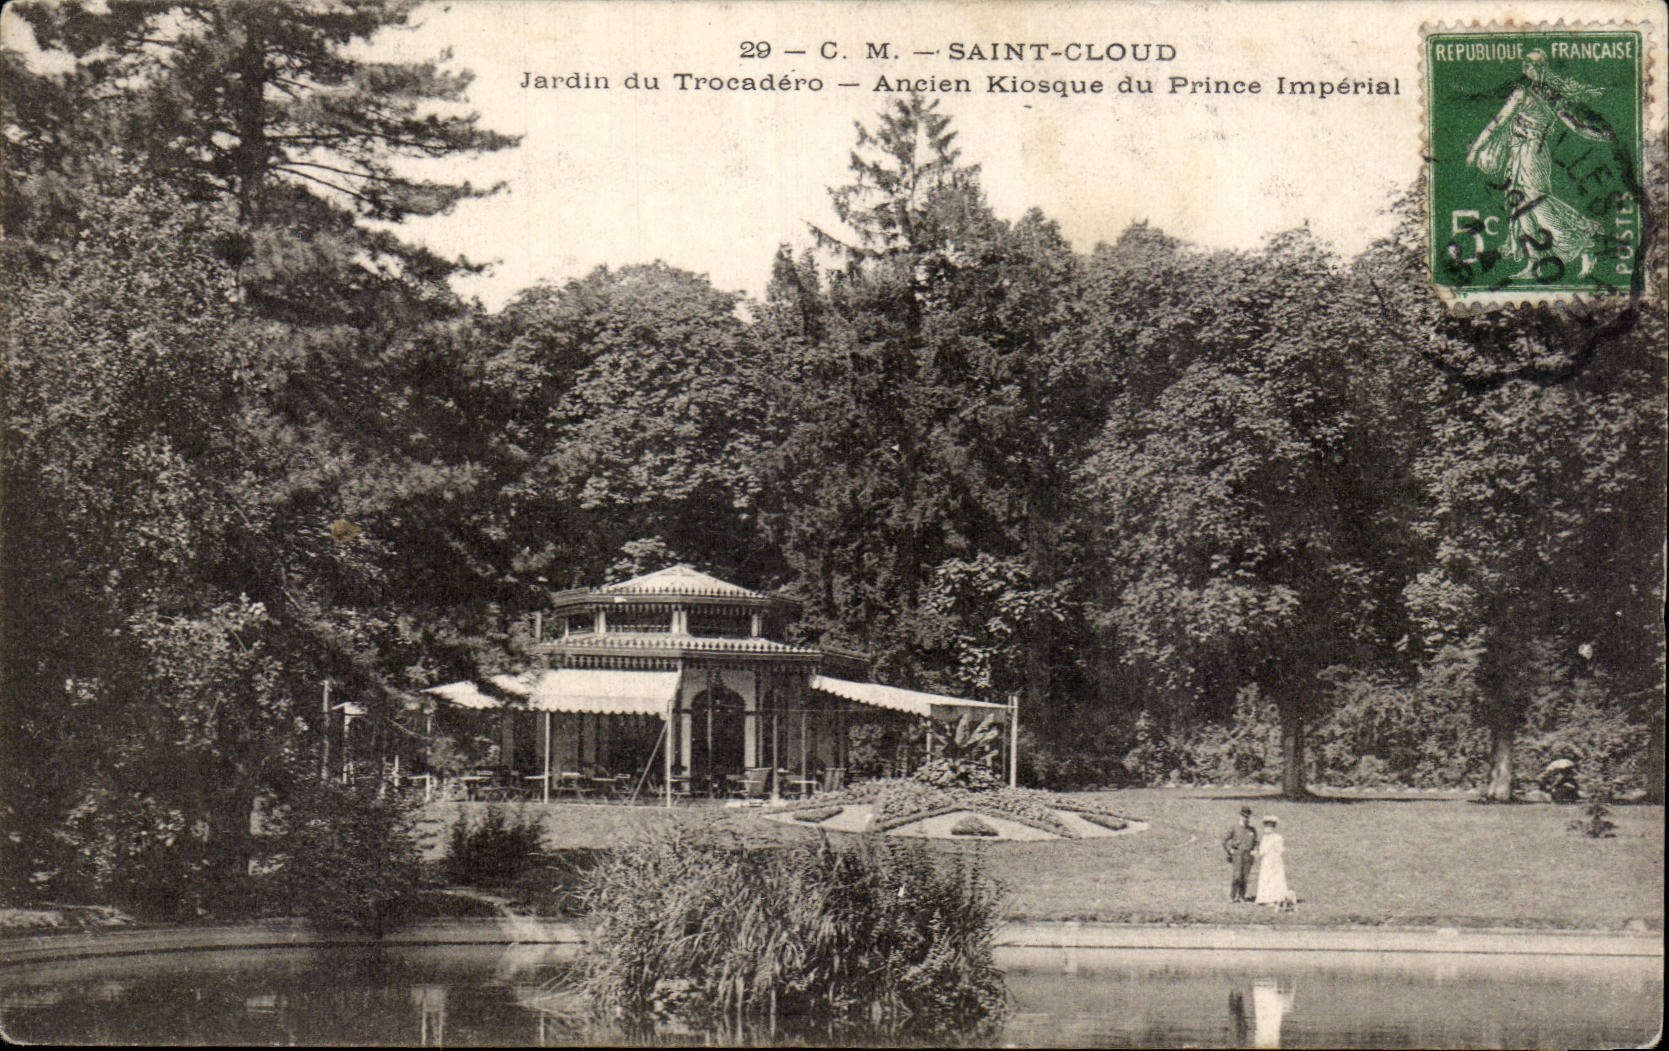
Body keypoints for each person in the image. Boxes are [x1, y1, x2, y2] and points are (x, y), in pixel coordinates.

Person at [1465, 49, 1613, 281]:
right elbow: (1498, 123)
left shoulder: (1534, 95)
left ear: (1543, 67)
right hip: (1519, 154)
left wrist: (1597, 134)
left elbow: (1572, 124)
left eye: (1534, 65)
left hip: (1532, 154)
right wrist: (1476, 149)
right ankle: (1534, 262)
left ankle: (1583, 243)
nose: (1530, 68)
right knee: (1520, 206)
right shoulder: (1534, 94)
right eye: (1527, 64)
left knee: (1536, 203)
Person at [1253, 815, 1292, 909]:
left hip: (1275, 861)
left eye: (1270, 826)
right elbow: (1262, 851)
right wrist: (1256, 853)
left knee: (1275, 879)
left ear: (1273, 827)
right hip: (1266, 862)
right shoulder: (1264, 838)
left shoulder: (1277, 837)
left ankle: (1276, 898)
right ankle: (1264, 899)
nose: (1267, 829)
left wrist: (1275, 857)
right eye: (1266, 826)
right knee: (1265, 878)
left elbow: (1280, 850)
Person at [1223, 806, 1259, 903]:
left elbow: (1256, 842)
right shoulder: (1234, 828)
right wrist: (1230, 850)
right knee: (1237, 876)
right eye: (1243, 816)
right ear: (1239, 816)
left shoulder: (1252, 830)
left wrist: (1255, 850)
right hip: (1238, 854)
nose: (1245, 819)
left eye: (1247, 817)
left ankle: (1242, 896)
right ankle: (1232, 896)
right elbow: (1224, 840)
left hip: (1248, 855)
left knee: (1245, 876)